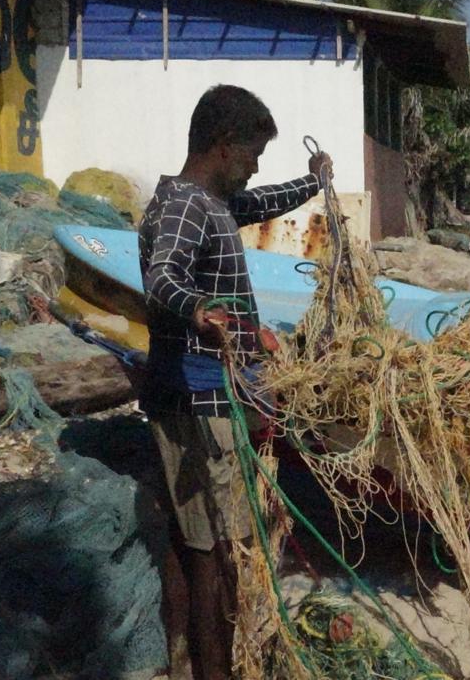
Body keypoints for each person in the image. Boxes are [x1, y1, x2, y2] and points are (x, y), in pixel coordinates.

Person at [138, 84, 331, 679]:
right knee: (215, 555)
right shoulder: (184, 207)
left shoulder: (216, 203)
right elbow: (160, 276)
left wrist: (315, 182)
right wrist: (198, 308)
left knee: (192, 545)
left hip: (209, 393)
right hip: (196, 400)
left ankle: (182, 662)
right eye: (252, 155)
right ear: (223, 147)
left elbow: (265, 202)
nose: (255, 168)